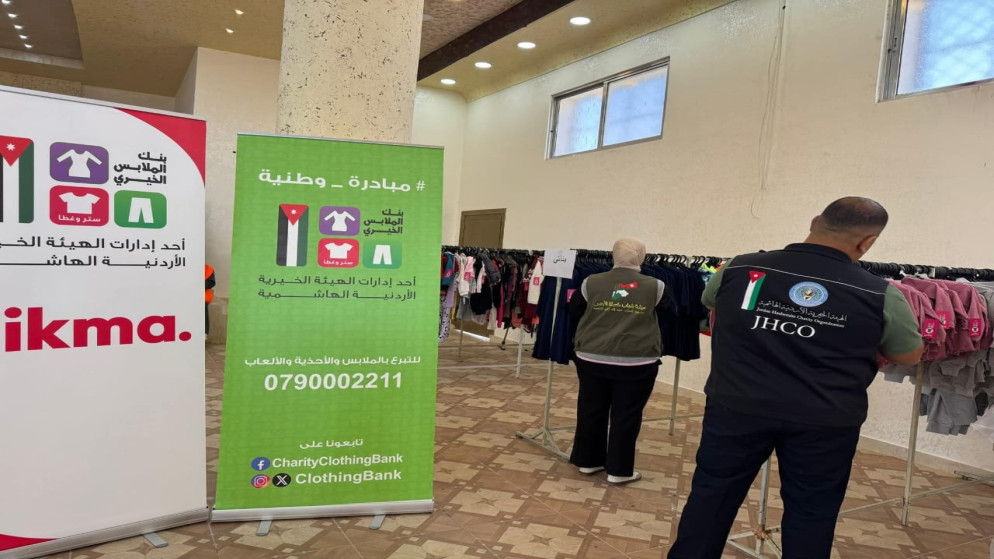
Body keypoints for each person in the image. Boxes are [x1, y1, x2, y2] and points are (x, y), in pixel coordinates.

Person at [668, 197, 924, 558]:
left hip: (737, 405)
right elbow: (908, 355)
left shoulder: (739, 267)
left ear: (815, 221)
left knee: (712, 495)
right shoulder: (880, 293)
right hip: (825, 417)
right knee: (812, 511)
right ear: (867, 243)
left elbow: (712, 302)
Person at [567, 237, 673, 484]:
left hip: (591, 357)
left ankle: (588, 461)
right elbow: (669, 316)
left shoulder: (590, 282)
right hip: (637, 361)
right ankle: (618, 470)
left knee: (591, 409)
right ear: (642, 257)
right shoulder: (656, 286)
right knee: (627, 414)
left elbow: (574, 311)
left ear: (613, 255)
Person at [205, 264, 215, 338]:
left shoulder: (208, 268)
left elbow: (211, 283)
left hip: (203, 298)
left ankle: (204, 334)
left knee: (203, 316)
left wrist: (196, 283)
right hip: (186, 298)